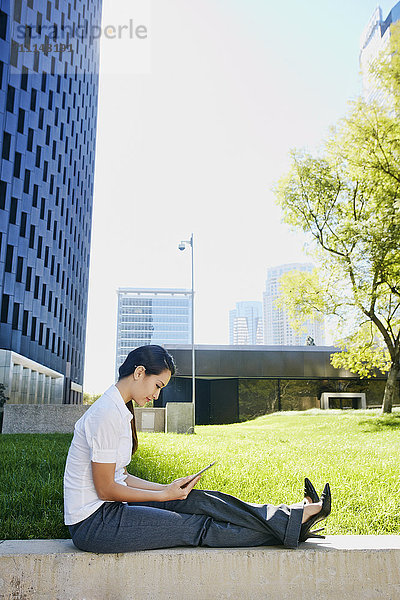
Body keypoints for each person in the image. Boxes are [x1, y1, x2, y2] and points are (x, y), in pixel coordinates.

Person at [64, 345, 331, 553]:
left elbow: (119, 476)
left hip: (111, 509)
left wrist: (167, 490)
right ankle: (295, 525)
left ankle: (289, 515)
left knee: (200, 500)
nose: (156, 395)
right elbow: (106, 489)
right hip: (95, 524)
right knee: (197, 527)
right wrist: (162, 497)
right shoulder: (105, 414)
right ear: (139, 372)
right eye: (158, 386)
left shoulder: (119, 410)